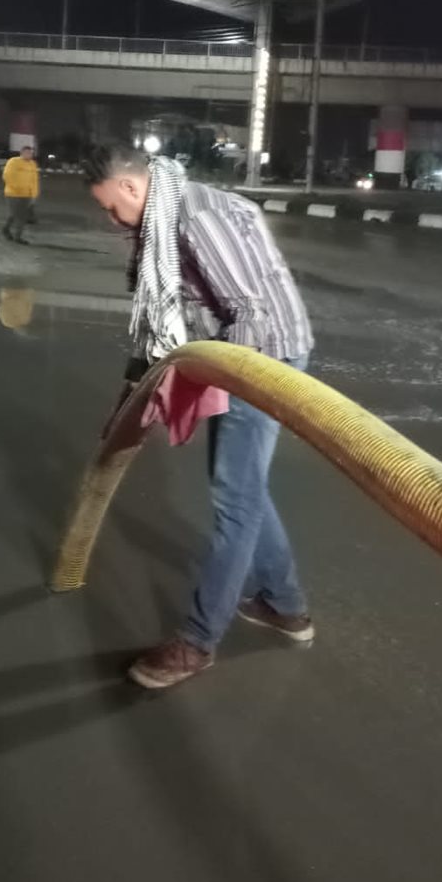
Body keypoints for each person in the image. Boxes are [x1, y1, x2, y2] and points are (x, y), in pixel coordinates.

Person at [84, 143, 315, 690]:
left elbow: (252, 314)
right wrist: (130, 398)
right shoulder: (158, 225)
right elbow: (156, 320)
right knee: (242, 489)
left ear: (132, 187)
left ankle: (197, 641)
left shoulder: (198, 219)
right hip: (231, 353)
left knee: (235, 500)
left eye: (112, 207)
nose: (111, 219)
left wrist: (219, 383)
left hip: (265, 357)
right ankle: (285, 606)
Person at [1, 145, 40, 243]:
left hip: (27, 195)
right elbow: (7, 176)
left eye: (31, 153)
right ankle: (17, 237)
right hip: (13, 194)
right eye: (27, 153)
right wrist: (16, 188)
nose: (29, 155)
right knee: (19, 216)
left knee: (16, 215)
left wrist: (34, 195)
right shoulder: (13, 162)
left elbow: (34, 180)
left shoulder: (33, 164)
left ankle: (6, 229)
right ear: (21, 153)